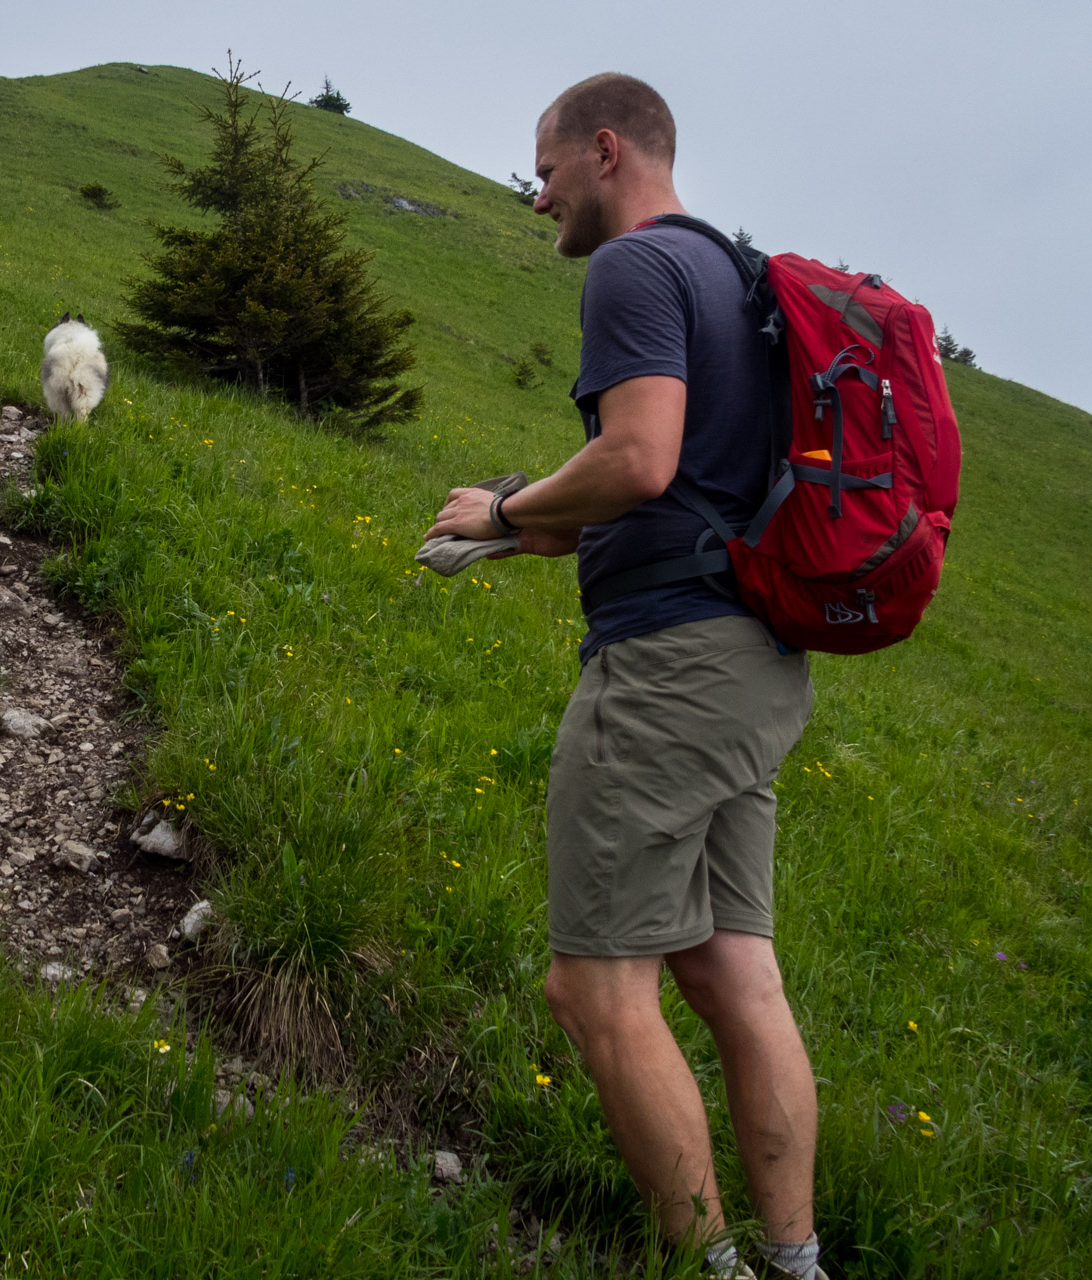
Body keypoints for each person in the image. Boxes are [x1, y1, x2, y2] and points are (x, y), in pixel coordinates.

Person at [425, 73, 824, 1280]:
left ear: (606, 150)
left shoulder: (634, 269)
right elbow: (678, 485)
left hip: (667, 668)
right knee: (730, 970)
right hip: (755, 658)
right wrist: (517, 525)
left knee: (595, 989)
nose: (537, 194)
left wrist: (501, 500)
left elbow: (640, 461)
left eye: (544, 170)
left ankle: (704, 1268)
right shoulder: (737, 278)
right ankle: (794, 1262)